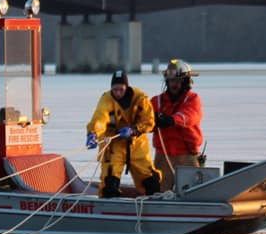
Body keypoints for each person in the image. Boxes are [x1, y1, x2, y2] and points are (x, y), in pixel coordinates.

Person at [86, 70, 161, 198]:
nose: (118, 93)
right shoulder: (106, 99)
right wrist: (93, 133)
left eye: (121, 89)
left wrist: (134, 130)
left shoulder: (140, 99)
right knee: (109, 181)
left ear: (127, 87)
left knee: (150, 179)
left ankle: (155, 204)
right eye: (115, 90)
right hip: (113, 144)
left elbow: (149, 121)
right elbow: (100, 118)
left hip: (137, 144)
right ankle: (110, 206)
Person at [151, 59, 204, 192]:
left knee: (194, 193)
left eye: (178, 81)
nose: (174, 84)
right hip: (163, 157)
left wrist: (171, 120)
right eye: (172, 80)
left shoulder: (192, 99)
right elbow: (143, 120)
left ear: (186, 82)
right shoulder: (156, 102)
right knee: (159, 193)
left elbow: (190, 116)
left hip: (187, 156)